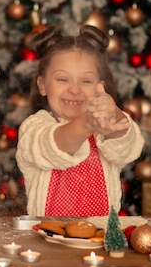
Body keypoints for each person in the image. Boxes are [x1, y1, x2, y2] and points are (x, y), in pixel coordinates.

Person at [15, 24, 144, 217]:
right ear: (42, 85)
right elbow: (54, 145)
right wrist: (86, 124)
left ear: (100, 87)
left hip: (101, 237)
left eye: (86, 81)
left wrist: (114, 115)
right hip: (48, 238)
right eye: (62, 80)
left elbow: (127, 145)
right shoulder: (34, 127)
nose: (75, 89)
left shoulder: (103, 130)